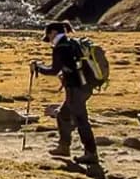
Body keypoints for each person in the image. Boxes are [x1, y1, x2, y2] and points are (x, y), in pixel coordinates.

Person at [31, 21, 100, 166]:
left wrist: (38, 68)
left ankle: (91, 153)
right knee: (63, 115)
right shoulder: (72, 43)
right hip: (85, 87)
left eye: (48, 35)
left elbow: (54, 70)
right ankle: (64, 147)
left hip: (75, 89)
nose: (49, 38)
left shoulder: (61, 47)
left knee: (81, 120)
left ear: (53, 32)